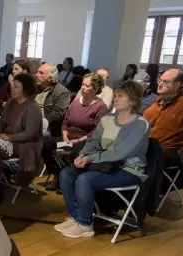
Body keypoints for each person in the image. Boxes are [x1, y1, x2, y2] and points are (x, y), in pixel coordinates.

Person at [55, 81, 150, 238]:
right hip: (104, 164)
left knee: (85, 179)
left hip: (128, 170)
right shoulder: (107, 118)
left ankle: (85, 223)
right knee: (66, 174)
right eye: (116, 95)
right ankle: (75, 216)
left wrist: (90, 158)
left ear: (133, 100)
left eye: (121, 96)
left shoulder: (140, 124)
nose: (115, 99)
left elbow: (120, 153)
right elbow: (93, 141)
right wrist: (83, 155)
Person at [0, 74, 43, 203]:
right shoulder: (11, 103)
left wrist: (8, 138)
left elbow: (30, 133)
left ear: (26, 89)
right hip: (7, 139)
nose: (12, 89)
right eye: (12, 86)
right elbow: (1, 125)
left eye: (16, 87)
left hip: (25, 145)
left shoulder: (33, 107)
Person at [34, 63, 71, 137]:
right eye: (37, 72)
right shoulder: (35, 87)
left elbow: (58, 114)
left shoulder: (62, 92)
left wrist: (38, 122)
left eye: (41, 73)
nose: (36, 75)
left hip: (48, 128)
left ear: (50, 78)